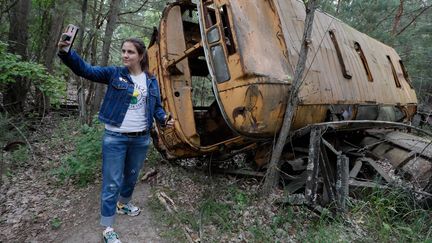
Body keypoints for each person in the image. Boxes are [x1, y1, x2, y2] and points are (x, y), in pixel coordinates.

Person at [58, 36, 173, 243]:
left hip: (141, 138)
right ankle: (108, 227)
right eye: (123, 51)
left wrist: (164, 118)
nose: (125, 55)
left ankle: (124, 204)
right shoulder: (114, 74)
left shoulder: (151, 80)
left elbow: (156, 107)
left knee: (131, 176)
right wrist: (67, 52)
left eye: (130, 52)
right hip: (115, 138)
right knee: (112, 183)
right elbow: (86, 70)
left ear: (141, 56)